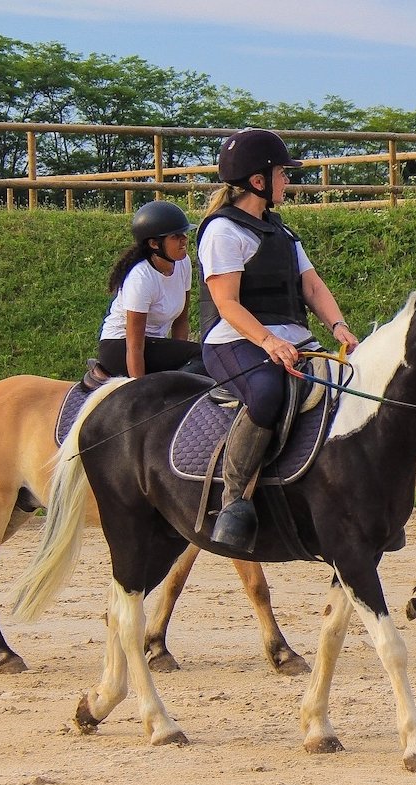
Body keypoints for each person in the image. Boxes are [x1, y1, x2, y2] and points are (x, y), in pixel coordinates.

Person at [196, 128, 360, 553]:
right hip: (233, 341)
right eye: (282, 173)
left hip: (292, 336)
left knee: (346, 386)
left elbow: (312, 287)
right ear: (257, 181)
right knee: (267, 393)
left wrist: (338, 326)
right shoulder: (222, 232)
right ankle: (233, 499)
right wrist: (268, 342)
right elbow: (227, 303)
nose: (287, 180)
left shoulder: (282, 233)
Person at [95, 200, 202, 378]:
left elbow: (181, 320)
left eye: (184, 234)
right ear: (154, 244)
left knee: (198, 358)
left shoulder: (183, 264)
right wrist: (140, 388)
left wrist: (178, 356)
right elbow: (134, 345)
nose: (184, 240)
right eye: (175, 237)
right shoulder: (141, 278)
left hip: (152, 344)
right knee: (201, 356)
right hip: (120, 347)